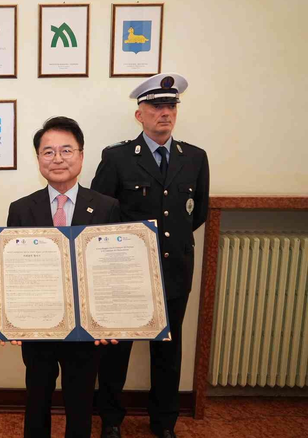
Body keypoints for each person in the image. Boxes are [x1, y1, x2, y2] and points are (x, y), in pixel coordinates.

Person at [91, 73, 210, 438]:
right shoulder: (117, 158)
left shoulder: (195, 158)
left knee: (168, 354)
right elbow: (101, 215)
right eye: (156, 106)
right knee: (116, 351)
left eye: (171, 106)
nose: (165, 113)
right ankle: (111, 419)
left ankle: (164, 422)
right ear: (139, 114)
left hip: (174, 269)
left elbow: (197, 213)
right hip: (125, 273)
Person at [0, 116, 120, 438]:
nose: (58, 159)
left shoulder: (106, 207)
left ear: (81, 155)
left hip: (86, 329)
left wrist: (112, 320)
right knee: (37, 398)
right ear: (38, 159)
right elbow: (12, 269)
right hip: (38, 325)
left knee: (80, 402)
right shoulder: (21, 209)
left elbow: (111, 271)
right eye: (48, 152)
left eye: (66, 150)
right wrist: (7, 314)